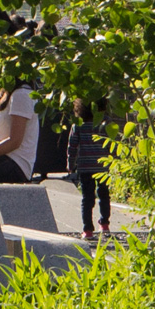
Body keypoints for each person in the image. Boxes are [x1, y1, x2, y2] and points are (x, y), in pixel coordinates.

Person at [67, 96, 111, 243]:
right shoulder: (105, 123)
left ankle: (87, 229)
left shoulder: (78, 125)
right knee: (104, 195)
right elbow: (112, 144)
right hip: (102, 166)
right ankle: (104, 224)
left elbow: (72, 146)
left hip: (85, 166)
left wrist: (70, 163)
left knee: (87, 198)